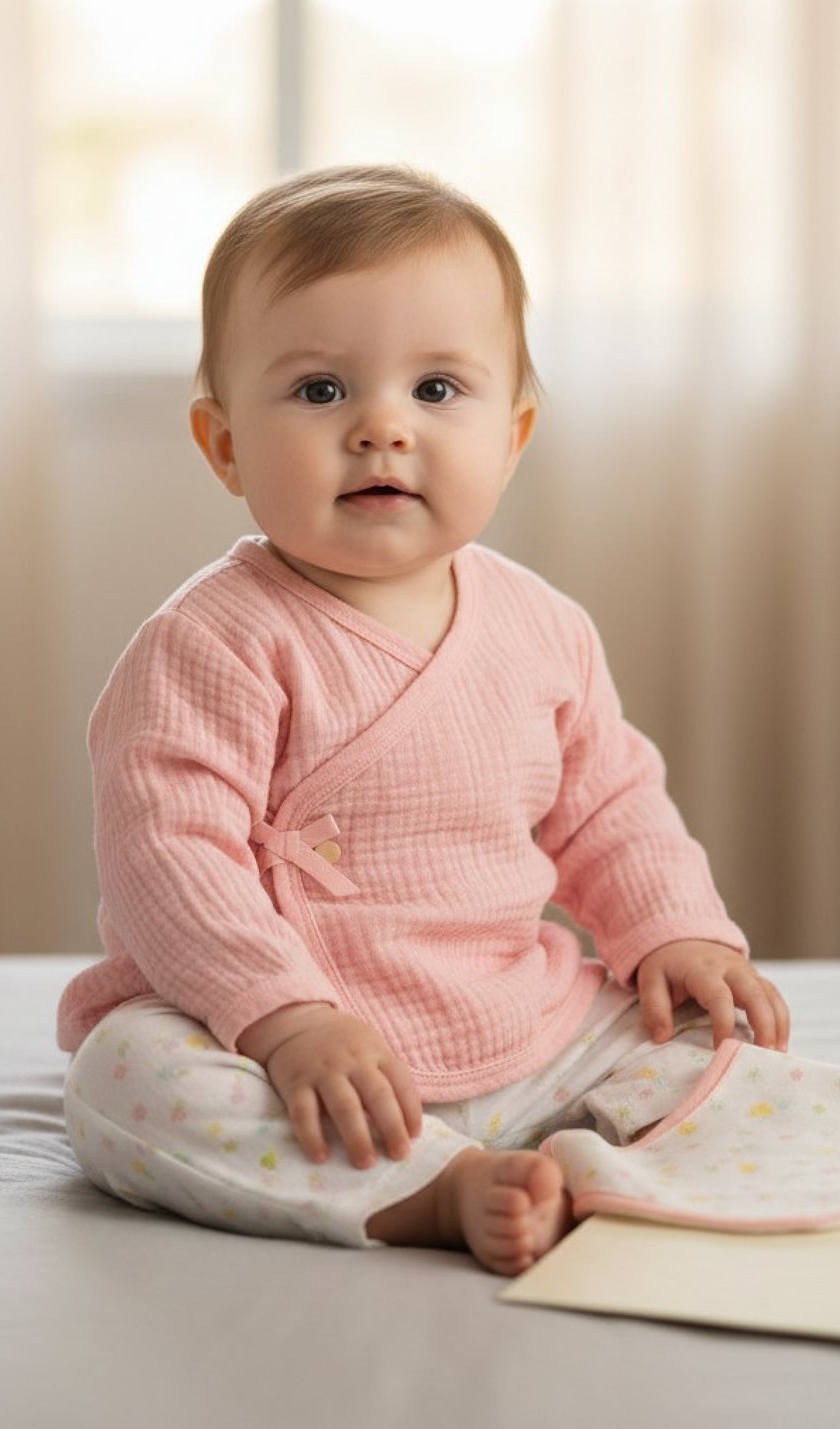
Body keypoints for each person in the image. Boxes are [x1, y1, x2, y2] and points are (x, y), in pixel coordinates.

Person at [57, 163, 790, 1275]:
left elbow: (611, 807)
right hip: (285, 1047)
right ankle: (429, 1189)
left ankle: (596, 1150)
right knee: (126, 1077)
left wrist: (674, 930)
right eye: (319, 390)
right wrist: (285, 1017)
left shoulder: (542, 627)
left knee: (709, 1035)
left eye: (437, 389)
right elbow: (171, 858)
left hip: (520, 1025)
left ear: (514, 433)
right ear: (224, 444)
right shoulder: (209, 642)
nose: (382, 427)